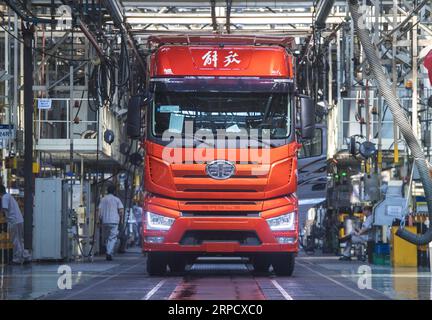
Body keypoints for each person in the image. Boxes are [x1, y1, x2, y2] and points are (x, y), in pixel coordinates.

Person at [0, 186, 31, 264]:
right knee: (20, 239)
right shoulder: (9, 196)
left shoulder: (4, 198)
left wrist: (3, 217)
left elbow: (4, 209)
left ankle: (17, 259)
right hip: (19, 220)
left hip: (13, 221)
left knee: (15, 240)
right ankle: (26, 256)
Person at [97, 185, 124, 261]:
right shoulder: (117, 199)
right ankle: (109, 252)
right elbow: (121, 210)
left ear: (107, 191)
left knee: (107, 238)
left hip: (105, 221)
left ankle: (109, 252)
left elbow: (99, 210)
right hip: (114, 221)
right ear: (114, 191)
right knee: (113, 238)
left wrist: (98, 220)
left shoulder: (103, 199)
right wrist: (121, 220)